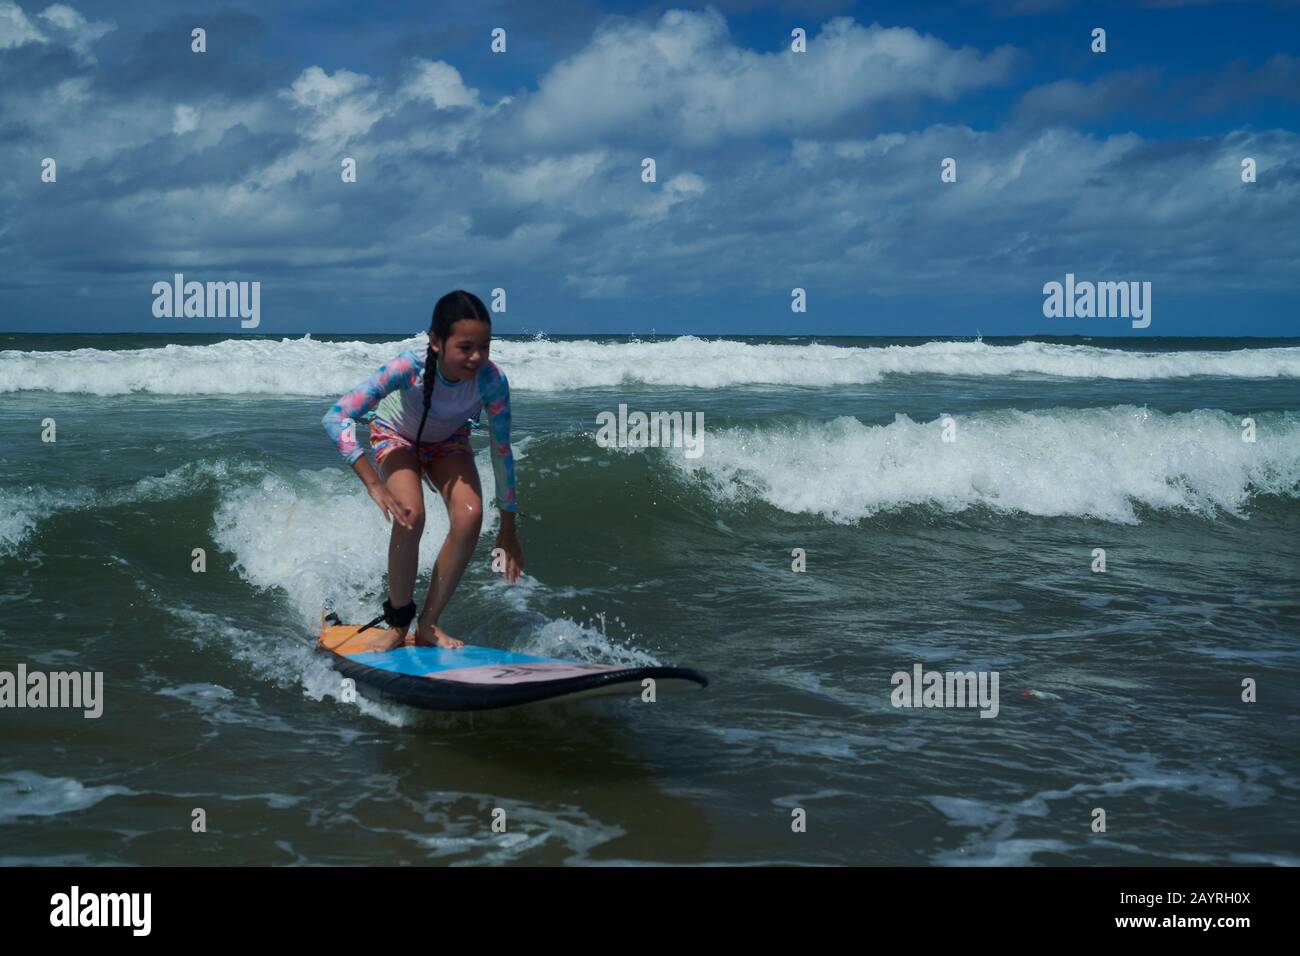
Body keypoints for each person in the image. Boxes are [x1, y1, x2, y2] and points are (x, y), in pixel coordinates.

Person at [321, 290, 523, 652]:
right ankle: (398, 625)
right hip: (395, 435)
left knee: (470, 516)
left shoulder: (492, 382)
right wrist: (374, 485)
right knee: (410, 515)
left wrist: (508, 529)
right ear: (435, 342)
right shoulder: (406, 368)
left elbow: (501, 452)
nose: (476, 357)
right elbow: (336, 417)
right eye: (465, 347)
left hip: (447, 442)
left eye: (485, 346)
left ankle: (428, 625)